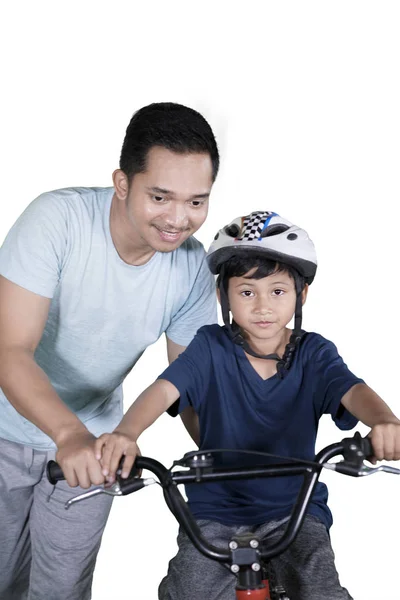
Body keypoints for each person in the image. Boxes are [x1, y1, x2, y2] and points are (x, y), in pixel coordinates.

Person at [96, 210, 400, 600]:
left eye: (277, 291)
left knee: (318, 586)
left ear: (301, 295)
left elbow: (353, 391)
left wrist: (385, 421)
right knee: (188, 589)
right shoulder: (209, 347)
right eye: (246, 292)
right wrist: (126, 433)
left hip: (294, 508)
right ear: (223, 296)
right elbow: (164, 390)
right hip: (215, 512)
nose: (262, 307)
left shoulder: (314, 353)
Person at [0, 102, 219, 600]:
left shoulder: (190, 266)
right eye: (160, 197)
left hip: (94, 447)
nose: (178, 219)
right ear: (123, 183)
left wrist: (228, 452)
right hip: (8, 430)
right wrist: (67, 434)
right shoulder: (57, 219)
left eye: (196, 202)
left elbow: (192, 381)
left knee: (62, 592)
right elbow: (10, 350)